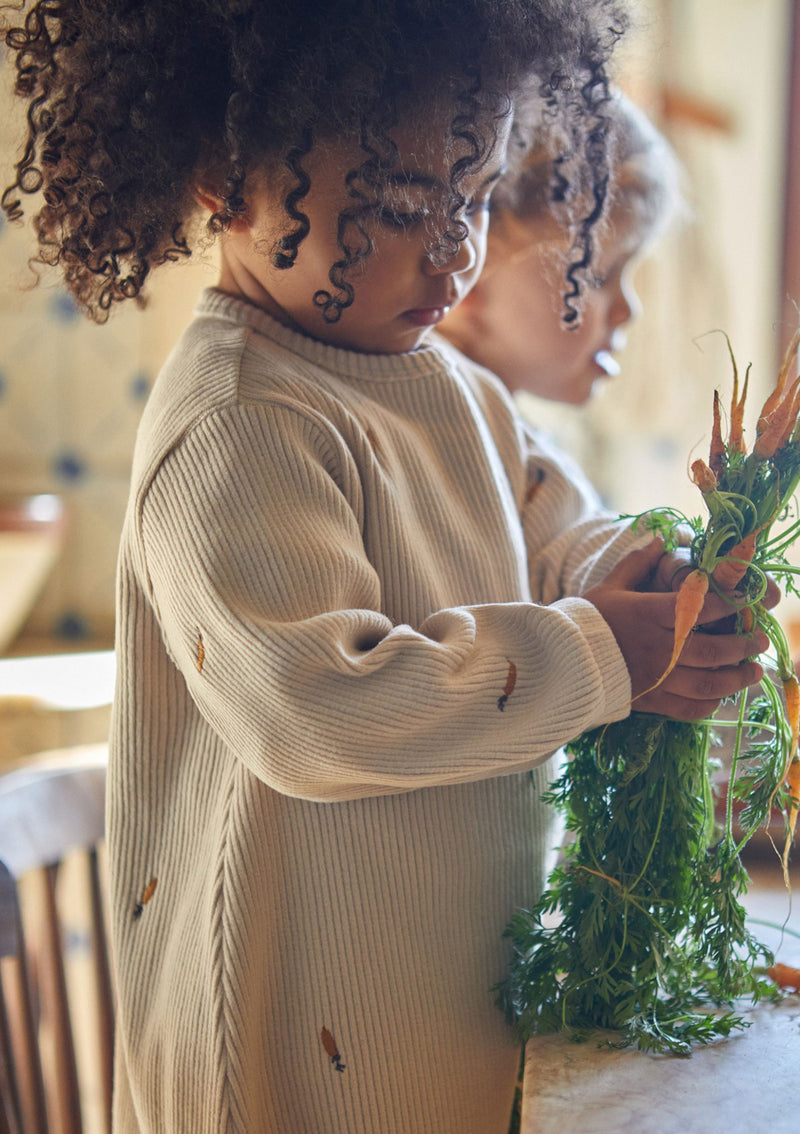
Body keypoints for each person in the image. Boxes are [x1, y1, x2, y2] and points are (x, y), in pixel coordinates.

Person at [1, 3, 769, 1132]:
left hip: (435, 1021)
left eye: (469, 197)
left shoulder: (453, 392)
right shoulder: (239, 416)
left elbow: (558, 534)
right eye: (403, 208)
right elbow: (318, 709)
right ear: (226, 178)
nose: (454, 249)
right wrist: (606, 653)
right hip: (285, 1065)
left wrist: (658, 585)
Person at [439, 89, 683, 405]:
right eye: (596, 277)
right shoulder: (437, 416)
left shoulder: (509, 435)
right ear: (469, 265)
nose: (628, 311)